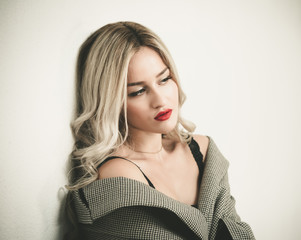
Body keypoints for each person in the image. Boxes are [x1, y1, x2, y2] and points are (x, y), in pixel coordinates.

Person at [65, 21, 255, 240]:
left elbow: (237, 232)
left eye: (164, 79)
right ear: (111, 101)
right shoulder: (119, 175)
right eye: (138, 91)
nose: (160, 100)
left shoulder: (204, 151)